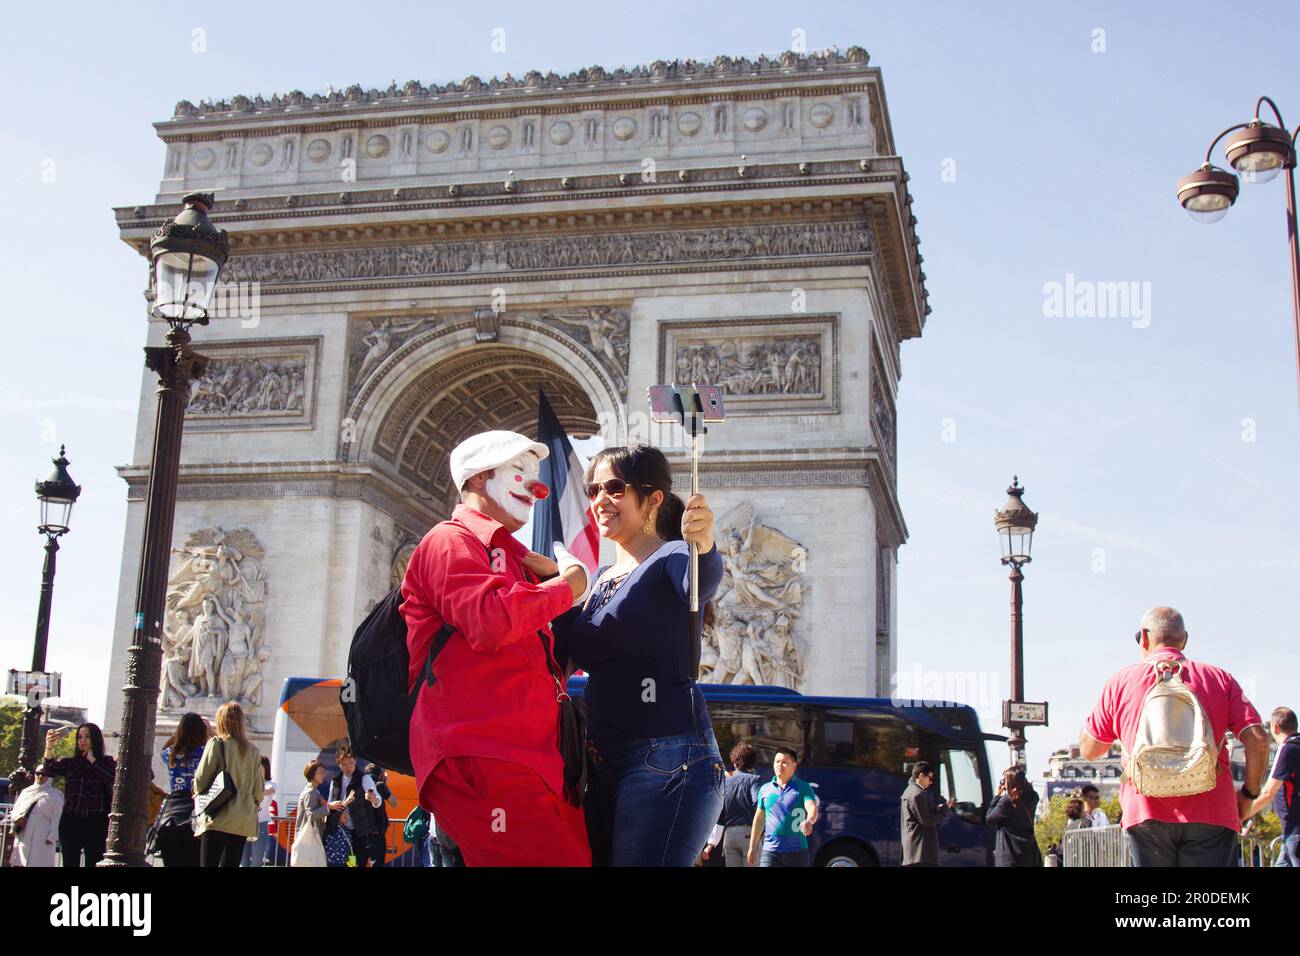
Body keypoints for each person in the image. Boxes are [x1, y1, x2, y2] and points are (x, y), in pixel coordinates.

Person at [400, 430, 589, 867]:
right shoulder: (448, 542)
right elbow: (491, 621)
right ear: (481, 477)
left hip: (531, 758)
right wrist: (568, 586)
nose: (538, 489)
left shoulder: (512, 560)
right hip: (482, 752)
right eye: (520, 473)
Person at [564, 444, 724, 866]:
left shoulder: (673, 556)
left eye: (615, 488)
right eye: (594, 489)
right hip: (599, 766)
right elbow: (555, 649)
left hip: (669, 760)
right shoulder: (599, 580)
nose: (600, 499)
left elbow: (699, 583)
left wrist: (703, 544)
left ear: (653, 499)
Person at [1080, 607, 1269, 867]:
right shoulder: (1219, 678)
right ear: (1185, 640)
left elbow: (1090, 750)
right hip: (1213, 812)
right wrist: (1249, 794)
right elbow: (1258, 739)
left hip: (1146, 811)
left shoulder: (1121, 681)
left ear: (1144, 638)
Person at [192, 701, 265, 868]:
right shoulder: (253, 751)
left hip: (218, 815)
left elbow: (201, 779)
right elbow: (258, 792)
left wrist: (197, 791)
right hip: (242, 820)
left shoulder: (217, 744)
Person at [41, 723, 116, 868]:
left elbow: (111, 778)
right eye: (80, 737)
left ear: (95, 739)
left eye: (87, 736)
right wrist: (49, 747)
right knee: (70, 861)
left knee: (94, 862)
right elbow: (49, 770)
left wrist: (93, 761)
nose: (83, 740)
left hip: (97, 821)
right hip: (71, 819)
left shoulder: (107, 762)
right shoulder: (70, 763)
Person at [747, 748, 819, 867]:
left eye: (784, 762)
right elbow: (759, 819)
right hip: (770, 852)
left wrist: (809, 821)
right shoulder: (765, 789)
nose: (780, 765)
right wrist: (752, 847)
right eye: (777, 761)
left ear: (794, 766)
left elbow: (812, 808)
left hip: (798, 852)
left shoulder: (804, 787)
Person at [1246, 706, 1299, 867]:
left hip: (1295, 831)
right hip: (1290, 833)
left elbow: (1268, 792)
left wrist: (1240, 815)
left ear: (1275, 727)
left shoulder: (1287, 748)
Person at [156, 712, 209, 867]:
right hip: (196, 812)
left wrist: (179, 734)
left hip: (172, 814)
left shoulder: (171, 754)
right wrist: (209, 734)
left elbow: (164, 748)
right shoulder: (205, 753)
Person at [703, 742, 763, 867]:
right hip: (748, 834)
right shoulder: (754, 780)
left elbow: (719, 814)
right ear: (752, 762)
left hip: (729, 836)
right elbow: (759, 805)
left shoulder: (726, 782)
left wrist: (711, 844)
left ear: (735, 762)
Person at [328, 746, 383, 867]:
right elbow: (330, 804)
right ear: (339, 765)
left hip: (359, 831)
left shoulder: (364, 778)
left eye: (351, 763)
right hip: (340, 831)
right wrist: (331, 805)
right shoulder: (335, 781)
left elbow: (378, 800)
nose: (348, 767)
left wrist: (373, 798)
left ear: (355, 762)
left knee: (359, 862)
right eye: (344, 764)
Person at [6, 764, 63, 867]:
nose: (40, 777)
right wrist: (18, 819)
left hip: (43, 835)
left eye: (44, 774)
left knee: (39, 862)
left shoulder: (55, 796)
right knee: (21, 862)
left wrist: (52, 836)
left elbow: (57, 817)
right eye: (38, 773)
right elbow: (15, 810)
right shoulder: (26, 792)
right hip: (24, 832)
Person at [986, 766, 1042, 867]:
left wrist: (996, 797)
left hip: (1010, 857)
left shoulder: (1007, 801)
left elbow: (989, 819)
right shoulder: (1034, 797)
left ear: (1009, 782)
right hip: (1029, 855)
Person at [900, 761, 953, 866]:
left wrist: (936, 809)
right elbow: (928, 821)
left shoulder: (910, 790)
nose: (931, 782)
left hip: (915, 852)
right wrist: (945, 809)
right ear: (921, 776)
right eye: (930, 778)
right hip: (920, 852)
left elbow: (922, 815)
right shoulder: (917, 794)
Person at [292, 759, 343, 868]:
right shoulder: (311, 792)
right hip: (309, 837)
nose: (323, 775)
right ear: (312, 774)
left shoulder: (313, 791)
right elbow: (311, 815)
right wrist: (328, 807)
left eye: (323, 772)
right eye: (320, 772)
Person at [241, 756, 276, 867]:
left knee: (256, 862)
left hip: (260, 823)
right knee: (243, 862)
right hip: (244, 823)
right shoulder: (247, 783)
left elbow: (267, 791)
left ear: (265, 767)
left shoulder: (271, 783)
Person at [365, 762, 398, 866]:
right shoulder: (379, 785)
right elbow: (394, 803)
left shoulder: (362, 784)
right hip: (377, 834)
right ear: (380, 774)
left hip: (362, 833)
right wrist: (384, 784)